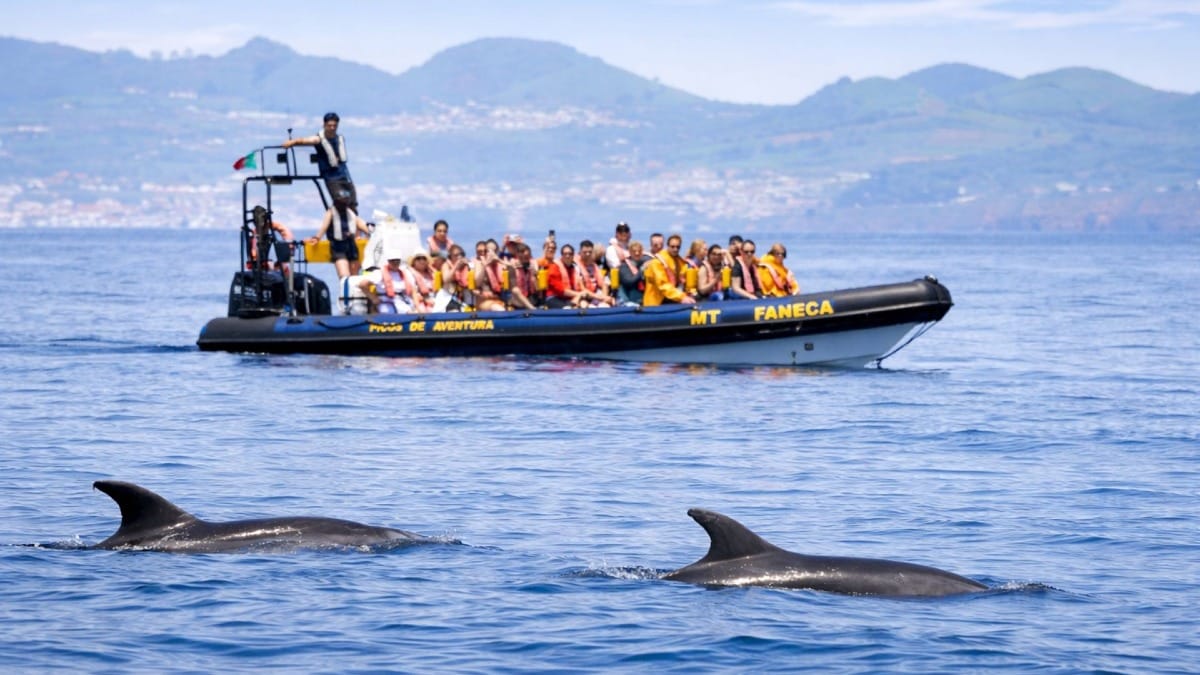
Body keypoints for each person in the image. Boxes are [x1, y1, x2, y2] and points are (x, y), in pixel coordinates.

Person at [283, 112, 357, 211]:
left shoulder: (338, 139)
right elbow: (305, 140)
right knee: (341, 201)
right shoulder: (319, 139)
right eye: (329, 125)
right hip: (332, 179)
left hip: (344, 176)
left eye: (334, 126)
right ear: (325, 125)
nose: (332, 128)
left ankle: (353, 224)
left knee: (352, 202)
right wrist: (293, 142)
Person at [308, 196, 370, 279]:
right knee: (344, 276)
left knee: (354, 276)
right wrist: (317, 238)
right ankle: (345, 289)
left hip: (352, 247)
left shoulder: (351, 214)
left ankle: (354, 291)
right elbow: (324, 227)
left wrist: (372, 234)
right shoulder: (331, 213)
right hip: (338, 247)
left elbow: (364, 226)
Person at [642, 234, 695, 306]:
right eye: (672, 246)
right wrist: (681, 297)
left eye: (678, 247)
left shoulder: (680, 262)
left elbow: (684, 281)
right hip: (656, 302)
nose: (675, 249)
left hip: (672, 298)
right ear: (667, 246)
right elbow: (663, 285)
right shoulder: (657, 262)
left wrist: (691, 293)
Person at [544, 244, 593, 309]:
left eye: (570, 254)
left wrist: (581, 295)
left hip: (569, 298)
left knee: (584, 305)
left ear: (573, 256)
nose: (567, 256)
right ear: (562, 255)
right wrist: (579, 294)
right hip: (554, 298)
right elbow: (561, 290)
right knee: (568, 308)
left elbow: (580, 287)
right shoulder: (554, 268)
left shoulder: (575, 269)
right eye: (565, 254)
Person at [576, 239, 616, 307]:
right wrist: (601, 297)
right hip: (583, 296)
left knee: (605, 305)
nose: (587, 254)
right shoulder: (575, 266)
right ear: (580, 252)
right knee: (586, 305)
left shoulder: (594, 266)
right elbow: (582, 288)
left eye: (590, 252)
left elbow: (603, 284)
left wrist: (604, 297)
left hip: (595, 295)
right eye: (585, 252)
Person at [473, 243, 510, 312]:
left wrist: (500, 261)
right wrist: (486, 265)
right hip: (484, 301)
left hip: (500, 299)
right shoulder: (479, 264)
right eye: (488, 251)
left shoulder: (501, 264)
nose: (491, 253)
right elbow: (477, 283)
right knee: (499, 309)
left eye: (494, 251)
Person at [508, 243, 542, 310]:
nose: (525, 258)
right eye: (522, 255)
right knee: (515, 290)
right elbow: (513, 287)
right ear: (517, 255)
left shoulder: (534, 266)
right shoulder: (512, 267)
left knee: (540, 287)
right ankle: (532, 309)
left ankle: (536, 306)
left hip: (532, 298)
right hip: (518, 300)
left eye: (527, 256)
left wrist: (534, 275)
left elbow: (538, 290)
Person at [616, 240, 647, 306]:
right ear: (629, 252)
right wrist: (641, 270)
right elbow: (629, 282)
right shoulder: (624, 266)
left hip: (640, 300)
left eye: (639, 251)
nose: (637, 253)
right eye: (634, 251)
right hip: (627, 300)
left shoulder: (642, 264)